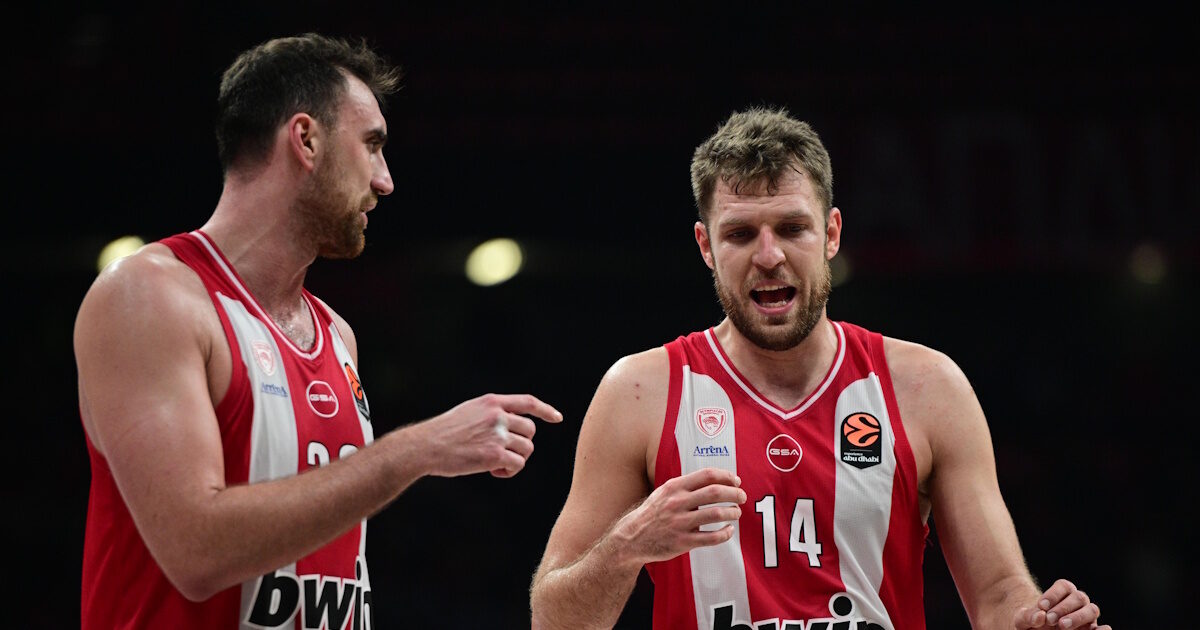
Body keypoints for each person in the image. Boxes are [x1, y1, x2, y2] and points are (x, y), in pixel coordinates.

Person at [530, 107, 1108, 630]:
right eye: (740, 234)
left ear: (831, 233)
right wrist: (627, 545)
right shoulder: (639, 392)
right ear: (705, 247)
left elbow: (1000, 595)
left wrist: (1039, 622)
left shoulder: (927, 387)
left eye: (791, 228)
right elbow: (554, 621)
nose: (769, 255)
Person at [74, 33, 562, 629]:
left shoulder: (336, 334)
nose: (385, 181)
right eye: (372, 146)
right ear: (305, 139)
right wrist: (416, 449)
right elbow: (195, 550)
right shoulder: (148, 296)